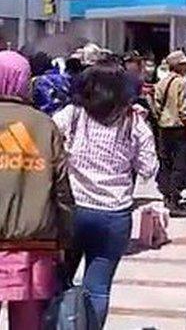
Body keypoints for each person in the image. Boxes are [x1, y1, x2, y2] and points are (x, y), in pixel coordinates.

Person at [53, 62, 158, 328]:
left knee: (58, 281)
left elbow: (50, 143)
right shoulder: (134, 122)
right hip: (114, 214)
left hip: (72, 209)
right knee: (98, 288)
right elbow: (149, 169)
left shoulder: (72, 114)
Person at [0, 50, 74, 329]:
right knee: (28, 322)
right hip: (35, 244)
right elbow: (62, 189)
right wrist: (65, 238)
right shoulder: (44, 125)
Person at [154, 51, 186, 216]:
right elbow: (185, 110)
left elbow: (156, 106)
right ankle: (175, 201)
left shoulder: (161, 82)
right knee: (180, 166)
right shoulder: (182, 83)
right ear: (179, 66)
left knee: (166, 163)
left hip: (164, 127)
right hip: (179, 128)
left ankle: (167, 196)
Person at [30, 52, 72, 116]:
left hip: (47, 117)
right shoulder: (64, 78)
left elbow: (44, 106)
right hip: (66, 115)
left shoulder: (39, 82)